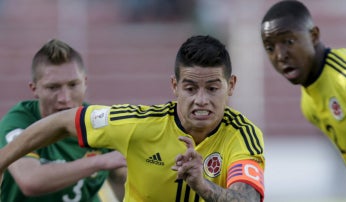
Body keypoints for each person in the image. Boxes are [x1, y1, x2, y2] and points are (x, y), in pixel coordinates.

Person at [0, 35, 265, 201]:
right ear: (174, 86)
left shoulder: (243, 135)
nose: (201, 100)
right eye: (190, 88)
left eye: (213, 88)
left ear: (231, 86)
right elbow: (62, 123)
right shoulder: (136, 124)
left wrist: (201, 185)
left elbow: (248, 200)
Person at [0, 39, 127, 202]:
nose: (64, 98)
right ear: (34, 89)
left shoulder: (99, 121)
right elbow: (30, 181)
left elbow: (123, 176)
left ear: (85, 83)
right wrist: (98, 162)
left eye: (73, 85)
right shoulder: (18, 122)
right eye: (53, 87)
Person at [261, 0, 346, 188]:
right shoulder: (308, 104)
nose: (280, 55)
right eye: (270, 48)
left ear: (314, 36)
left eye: (288, 41)